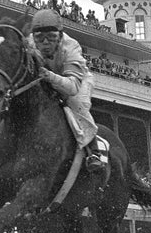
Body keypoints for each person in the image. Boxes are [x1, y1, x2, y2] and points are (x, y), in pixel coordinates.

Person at [27, 9, 105, 172]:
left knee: (76, 102)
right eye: (40, 38)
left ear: (60, 36)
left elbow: (72, 87)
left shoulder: (71, 47)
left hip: (77, 80)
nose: (45, 43)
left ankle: (93, 151)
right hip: (47, 75)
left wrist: (51, 77)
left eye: (51, 37)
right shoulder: (29, 43)